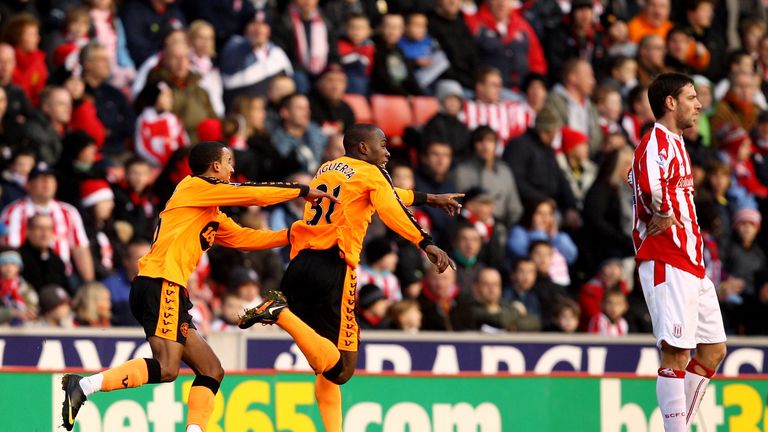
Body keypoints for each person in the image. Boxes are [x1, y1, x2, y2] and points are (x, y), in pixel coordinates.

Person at [60, 141, 339, 431]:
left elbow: (245, 238)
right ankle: (85, 385)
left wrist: (295, 234)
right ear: (215, 166)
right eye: (229, 161)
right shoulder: (193, 186)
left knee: (211, 370)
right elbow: (252, 194)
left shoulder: (209, 209)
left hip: (168, 288)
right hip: (161, 282)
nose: (233, 168)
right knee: (168, 368)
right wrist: (302, 190)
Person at [238, 124, 460, 432]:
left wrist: (428, 198)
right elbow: (390, 209)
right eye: (382, 144)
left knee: (325, 364)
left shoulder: (328, 169)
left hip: (300, 265)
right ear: (364, 148)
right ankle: (279, 313)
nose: (388, 150)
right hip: (333, 268)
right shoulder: (372, 173)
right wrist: (426, 242)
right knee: (342, 369)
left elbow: (387, 196)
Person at [629, 72, 727, 432]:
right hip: (665, 258)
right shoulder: (655, 140)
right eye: (691, 97)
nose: (699, 104)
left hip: (691, 262)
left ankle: (678, 426)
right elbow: (646, 182)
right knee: (676, 353)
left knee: (714, 349)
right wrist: (662, 213)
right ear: (670, 102)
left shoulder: (677, 143)